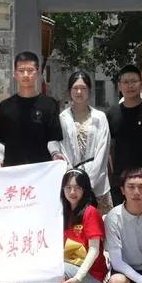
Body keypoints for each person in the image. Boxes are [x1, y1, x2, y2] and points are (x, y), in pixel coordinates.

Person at [0, 51, 65, 283]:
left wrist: (56, 155)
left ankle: (37, 276)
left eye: (30, 70)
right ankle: (16, 280)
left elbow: (53, 139)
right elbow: (1, 141)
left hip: (41, 180)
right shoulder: (5, 107)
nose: (26, 75)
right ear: (15, 74)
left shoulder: (49, 105)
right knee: (15, 228)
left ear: (38, 73)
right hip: (13, 180)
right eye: (21, 70)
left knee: (39, 227)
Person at [24, 169, 107, 283]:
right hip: (66, 268)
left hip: (90, 275)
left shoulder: (90, 212)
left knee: (51, 271)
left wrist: (77, 278)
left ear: (85, 189)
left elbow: (94, 250)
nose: (72, 192)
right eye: (68, 187)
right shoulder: (62, 212)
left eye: (77, 188)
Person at [106, 64, 142, 206]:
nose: (130, 86)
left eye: (134, 81)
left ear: (141, 83)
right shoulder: (112, 113)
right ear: (119, 86)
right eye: (126, 82)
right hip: (121, 178)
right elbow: (109, 146)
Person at [54, 71, 112, 212]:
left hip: (97, 183)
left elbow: (103, 151)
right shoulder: (62, 118)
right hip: (71, 186)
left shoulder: (100, 117)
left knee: (97, 222)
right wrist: (74, 179)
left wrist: (86, 182)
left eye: (83, 88)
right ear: (70, 91)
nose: (79, 92)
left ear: (89, 91)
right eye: (75, 88)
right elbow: (61, 149)